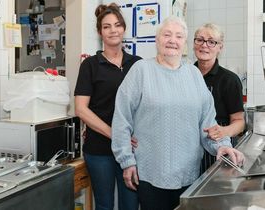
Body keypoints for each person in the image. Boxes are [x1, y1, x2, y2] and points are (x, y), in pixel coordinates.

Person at [111, 16, 245, 210]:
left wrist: (221, 146)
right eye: (167, 34)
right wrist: (126, 161)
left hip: (189, 175)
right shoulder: (140, 71)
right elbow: (121, 120)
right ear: (157, 40)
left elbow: (207, 123)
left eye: (179, 36)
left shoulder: (194, 75)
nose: (172, 40)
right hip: (150, 173)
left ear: (184, 43)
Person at [74, 3, 141, 210]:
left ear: (124, 29)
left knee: (130, 205)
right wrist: (115, 134)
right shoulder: (90, 65)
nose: (113, 30)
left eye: (117, 25)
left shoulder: (137, 64)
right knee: (104, 205)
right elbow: (81, 109)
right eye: (107, 26)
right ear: (99, 32)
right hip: (99, 150)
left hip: (131, 151)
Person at [193, 23, 245, 173]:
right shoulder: (186, 75)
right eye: (200, 40)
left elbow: (239, 122)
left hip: (219, 147)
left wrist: (224, 131)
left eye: (211, 42)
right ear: (194, 43)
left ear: (220, 47)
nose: (204, 45)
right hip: (191, 148)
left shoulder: (229, 80)